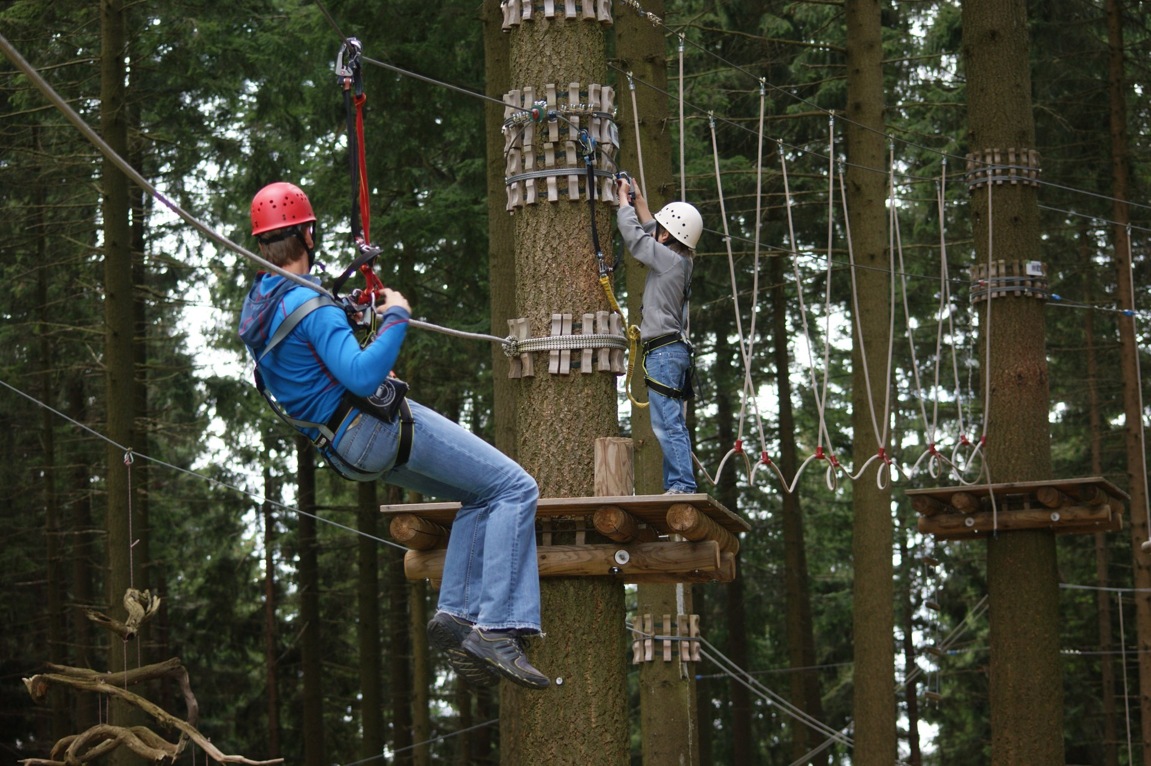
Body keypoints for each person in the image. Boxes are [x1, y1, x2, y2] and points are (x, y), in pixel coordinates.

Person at [238, 181, 548, 690]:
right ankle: (496, 627)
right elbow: (360, 375)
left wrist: (351, 312)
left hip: (340, 446)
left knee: (478, 495)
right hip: (374, 427)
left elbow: (314, 353)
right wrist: (396, 317)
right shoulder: (310, 308)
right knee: (514, 487)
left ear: (264, 244)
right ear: (308, 235)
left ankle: (457, 614)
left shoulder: (262, 305)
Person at [615, 176, 703, 495]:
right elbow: (653, 229)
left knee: (667, 423)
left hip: (664, 353)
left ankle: (682, 485)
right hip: (670, 352)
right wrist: (639, 200)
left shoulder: (667, 260)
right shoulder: (680, 260)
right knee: (669, 422)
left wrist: (623, 202)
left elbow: (637, 239)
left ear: (668, 235)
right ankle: (676, 484)